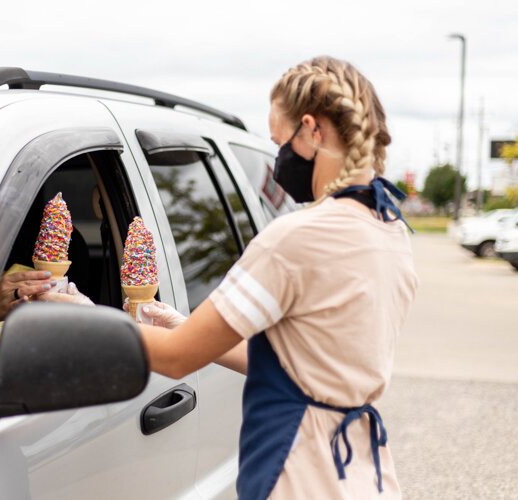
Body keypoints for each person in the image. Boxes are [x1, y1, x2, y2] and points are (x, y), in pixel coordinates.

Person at [118, 57, 418, 499]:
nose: (279, 157)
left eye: (281, 142)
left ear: (313, 130)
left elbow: (177, 359)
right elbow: (308, 363)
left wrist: (88, 318)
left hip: (297, 472)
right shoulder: (391, 231)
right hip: (361, 473)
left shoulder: (296, 238)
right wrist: (191, 328)